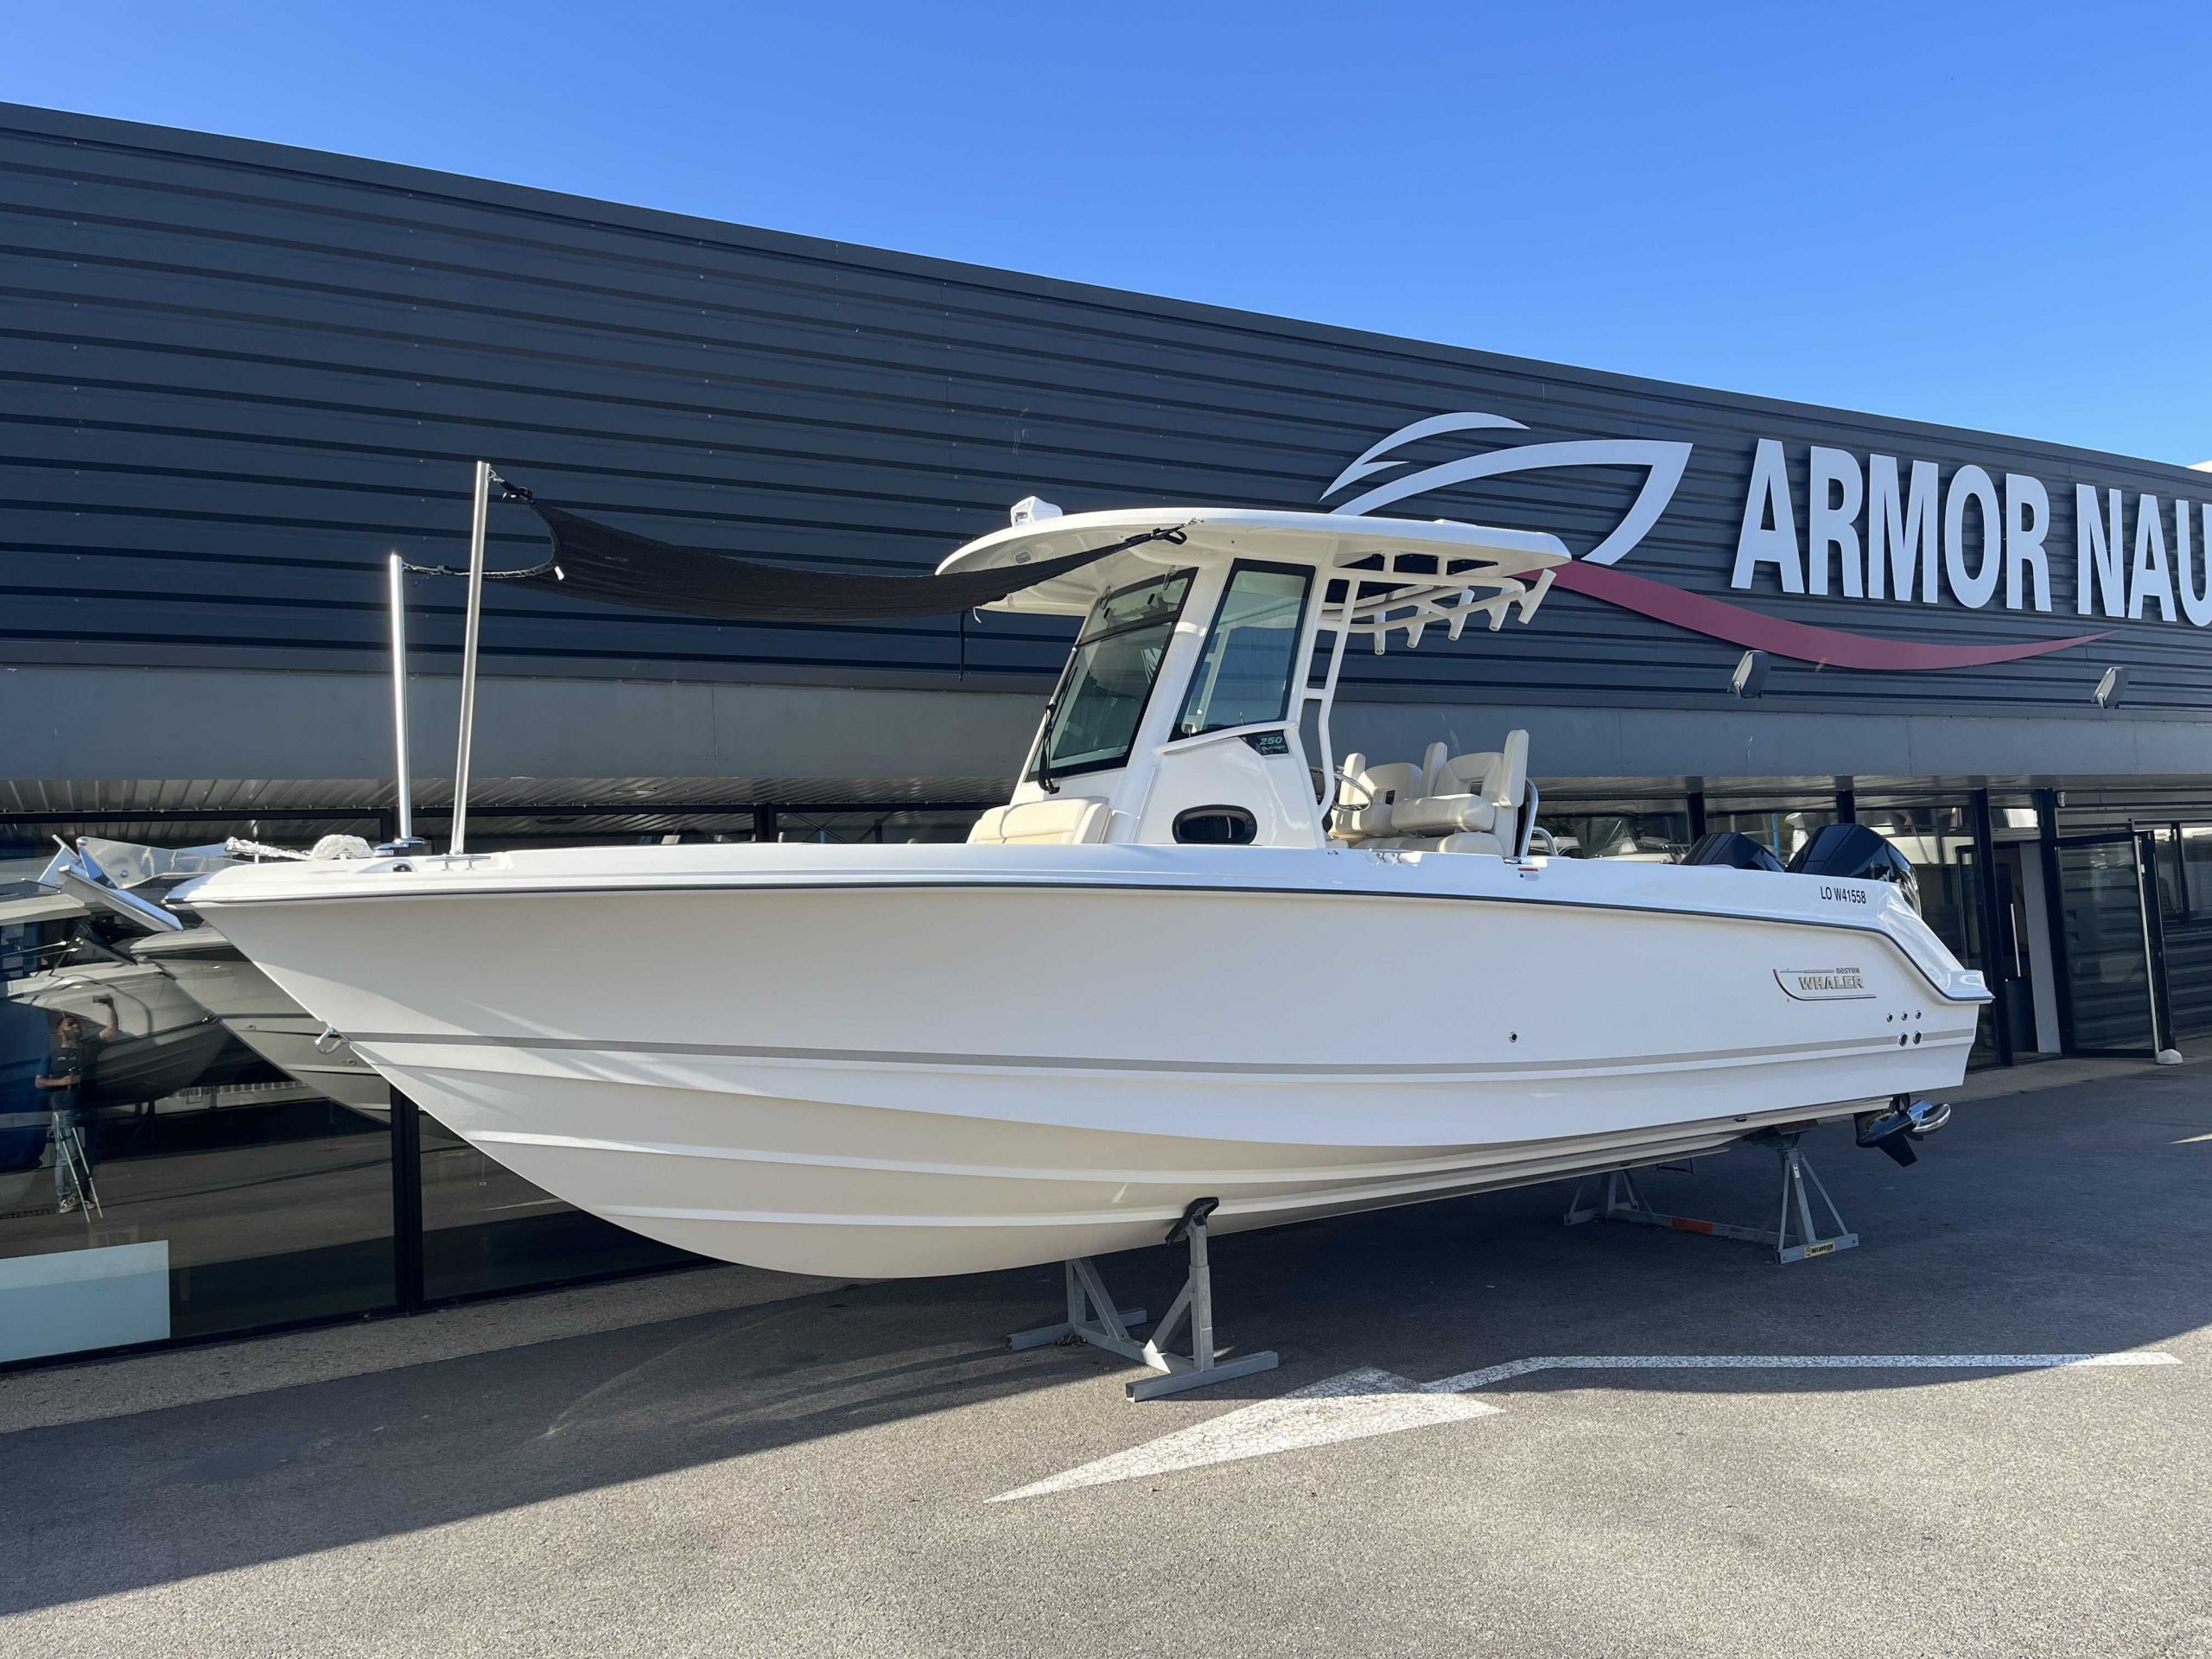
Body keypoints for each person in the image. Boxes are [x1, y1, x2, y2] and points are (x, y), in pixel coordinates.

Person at [35, 995, 118, 1214]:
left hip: (90, 1106)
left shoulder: (89, 1048)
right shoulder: (53, 1055)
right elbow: (39, 1081)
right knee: (67, 1156)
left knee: (88, 1154)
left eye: (76, 1023)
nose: (76, 1025)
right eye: (70, 1023)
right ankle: (65, 1198)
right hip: (65, 1109)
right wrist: (60, 1082)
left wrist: (111, 1007)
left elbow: (111, 1031)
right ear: (61, 1032)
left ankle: (84, 1194)